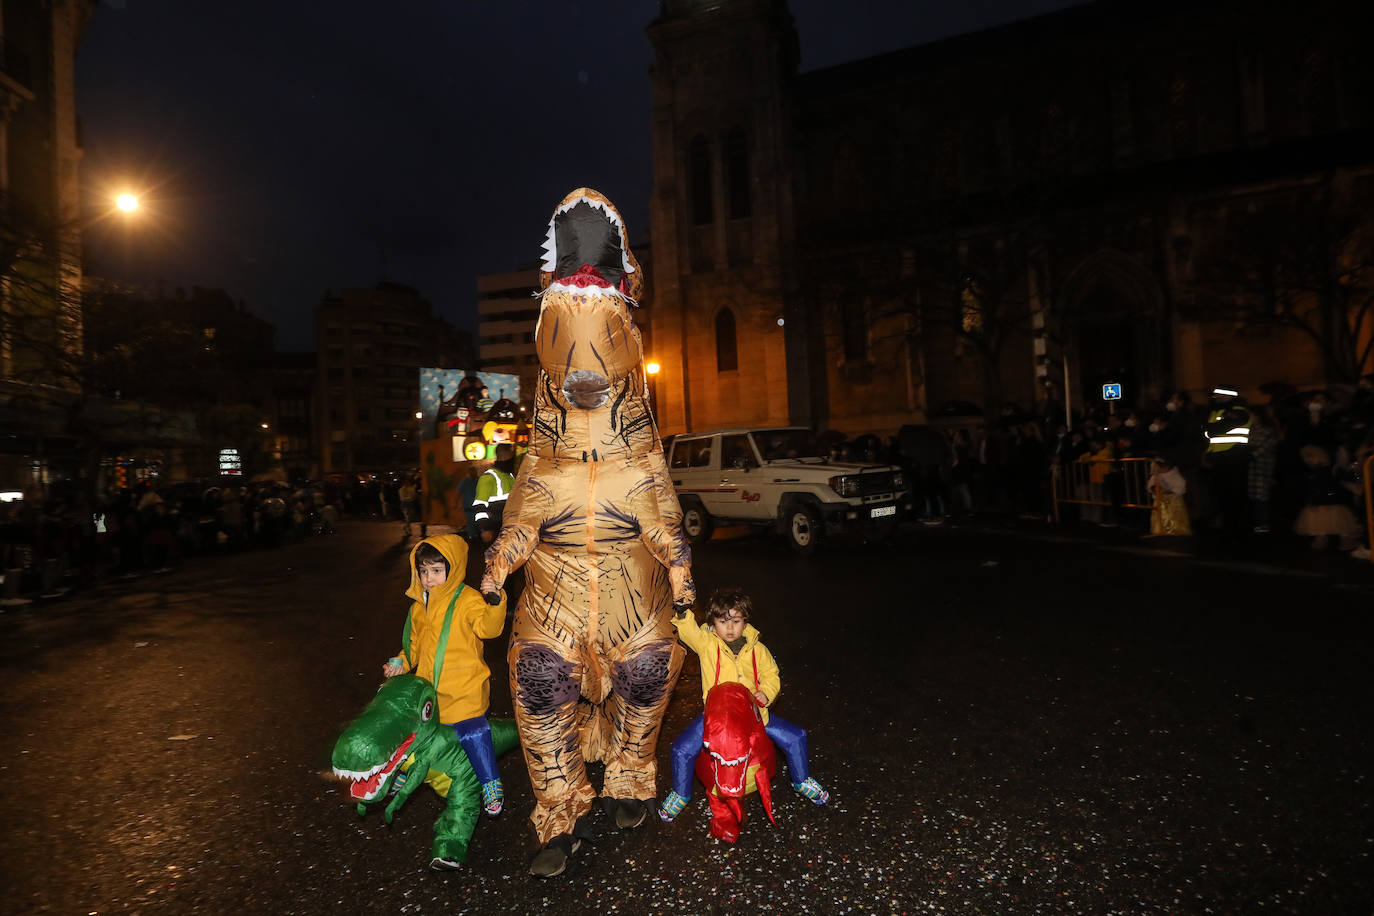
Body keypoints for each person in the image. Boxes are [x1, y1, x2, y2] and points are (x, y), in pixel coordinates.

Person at [659, 587, 829, 822]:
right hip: (717, 719)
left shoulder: (757, 649)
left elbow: (771, 675)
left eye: (736, 621)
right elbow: (689, 633)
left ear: (745, 621)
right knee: (682, 749)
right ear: (713, 622)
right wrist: (682, 613)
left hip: (754, 716)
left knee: (795, 737)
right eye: (723, 622)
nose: (729, 628)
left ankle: (801, 780)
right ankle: (681, 793)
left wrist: (766, 693)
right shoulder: (707, 644)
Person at [382, 535, 509, 815]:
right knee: (413, 730)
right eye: (423, 571)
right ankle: (406, 770)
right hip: (430, 688)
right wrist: (401, 663)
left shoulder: (467, 600)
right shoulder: (419, 607)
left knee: (472, 732)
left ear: (453, 569)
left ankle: (490, 781)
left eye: (437, 571)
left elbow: (488, 628)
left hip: (465, 688)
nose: (429, 579)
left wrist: (495, 602)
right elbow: (414, 645)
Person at [473, 444, 517, 544]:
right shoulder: (488, 477)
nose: (512, 461)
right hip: (495, 530)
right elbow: (479, 506)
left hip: (510, 528)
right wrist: (485, 529)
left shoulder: (510, 476)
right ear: (503, 457)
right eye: (510, 458)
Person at [1146, 456, 1191, 537]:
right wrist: (1154, 489)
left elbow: (1180, 486)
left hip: (1173, 501)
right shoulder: (1156, 476)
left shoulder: (1174, 475)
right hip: (1160, 501)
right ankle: (1160, 529)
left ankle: (1176, 529)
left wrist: (1169, 492)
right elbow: (1151, 485)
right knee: (1161, 516)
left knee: (1174, 516)